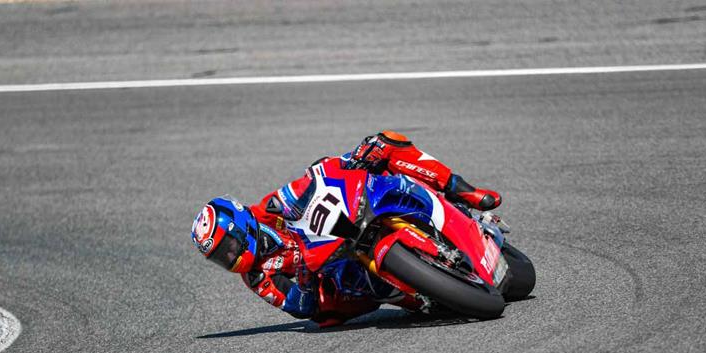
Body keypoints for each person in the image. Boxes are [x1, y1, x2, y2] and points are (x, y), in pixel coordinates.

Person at [191, 131, 501, 326]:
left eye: (228, 247)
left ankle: (460, 189)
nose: (230, 257)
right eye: (221, 257)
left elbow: (311, 183)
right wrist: (304, 280)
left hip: (341, 228)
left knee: (385, 142)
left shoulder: (268, 209)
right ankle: (419, 296)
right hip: (336, 280)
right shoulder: (258, 277)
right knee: (327, 312)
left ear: (240, 226)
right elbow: (298, 306)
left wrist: (351, 159)